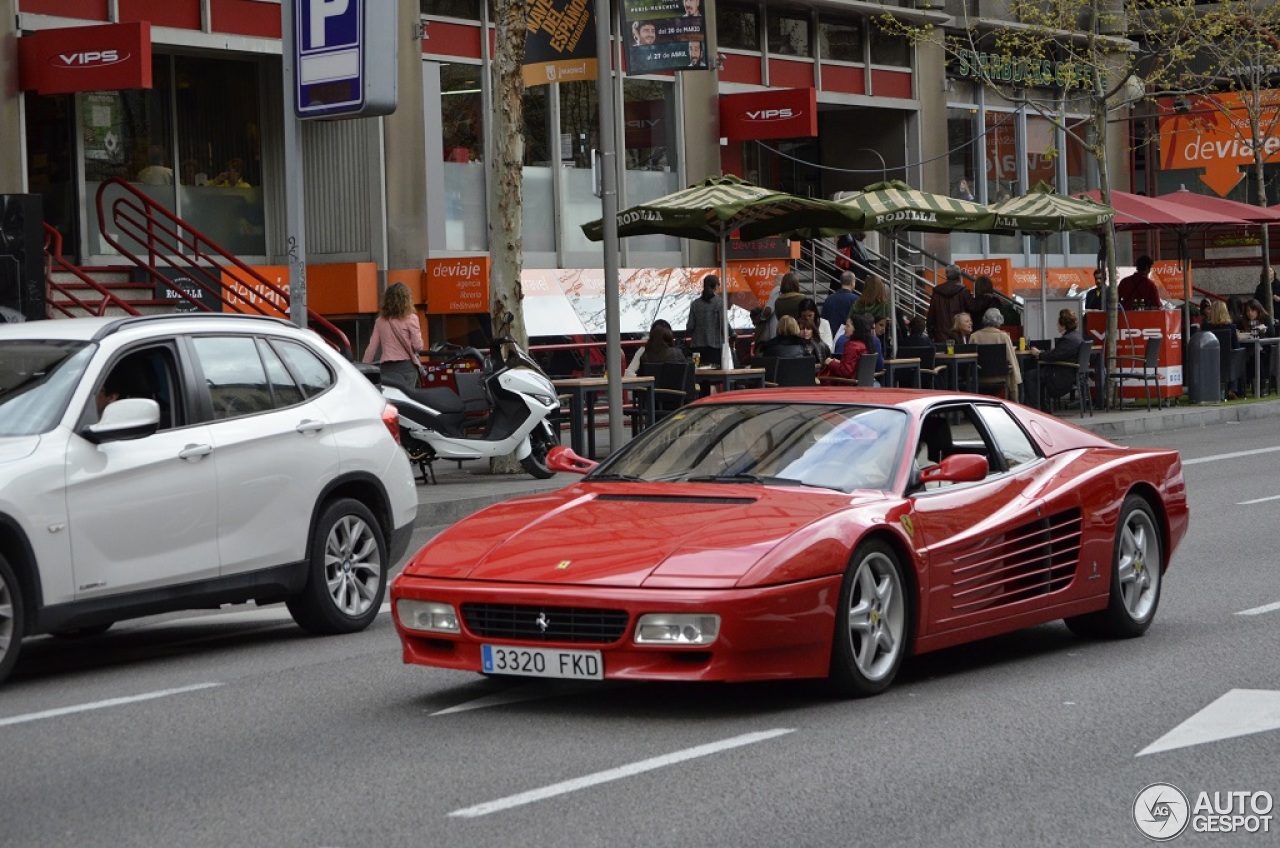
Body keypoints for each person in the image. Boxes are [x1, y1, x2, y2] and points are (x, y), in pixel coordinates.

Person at [362, 282, 424, 387]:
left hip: (387, 368)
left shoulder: (380, 321)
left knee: (391, 398)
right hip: (406, 367)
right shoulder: (411, 318)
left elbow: (371, 348)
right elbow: (418, 346)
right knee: (406, 399)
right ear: (406, 300)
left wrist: (363, 367)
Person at [1022, 309, 1084, 411]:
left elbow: (1054, 356)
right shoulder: (1076, 336)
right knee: (1037, 374)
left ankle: (1033, 408)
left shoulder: (1067, 339)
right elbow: (1058, 354)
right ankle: (1042, 406)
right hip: (1068, 372)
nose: (1056, 325)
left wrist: (1039, 354)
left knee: (1030, 375)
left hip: (1060, 375)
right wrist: (1042, 353)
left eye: (1058, 322)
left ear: (1063, 325)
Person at [971, 307, 1022, 398]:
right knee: (1012, 371)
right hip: (1000, 377)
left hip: (979, 377)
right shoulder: (1004, 336)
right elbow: (1011, 359)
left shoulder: (974, 336)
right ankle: (1016, 402)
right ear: (1000, 320)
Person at [926, 264, 977, 343]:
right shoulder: (964, 291)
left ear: (946, 276)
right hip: (959, 336)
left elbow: (931, 315)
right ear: (959, 276)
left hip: (940, 336)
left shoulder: (937, 292)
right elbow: (973, 308)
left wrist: (932, 335)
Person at [822, 314, 877, 383]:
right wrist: (839, 362)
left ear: (856, 329)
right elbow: (854, 366)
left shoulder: (852, 346)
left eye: (847, 326)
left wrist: (830, 362)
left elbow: (846, 372)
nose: (844, 328)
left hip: (848, 385)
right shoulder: (864, 344)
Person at [1204, 299, 1241, 398]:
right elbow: (1236, 346)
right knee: (1237, 359)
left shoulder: (1206, 327)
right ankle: (1233, 388)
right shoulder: (1231, 327)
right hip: (1227, 360)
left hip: (1210, 360)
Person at [686, 274, 724, 367]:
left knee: (697, 371)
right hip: (715, 347)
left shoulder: (695, 304)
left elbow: (690, 326)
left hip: (696, 347)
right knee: (715, 375)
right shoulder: (719, 302)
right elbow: (723, 323)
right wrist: (732, 334)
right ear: (716, 286)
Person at [822, 271, 859, 340]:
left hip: (830, 336)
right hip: (847, 338)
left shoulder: (829, 299)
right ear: (852, 282)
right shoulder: (855, 299)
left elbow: (823, 319)